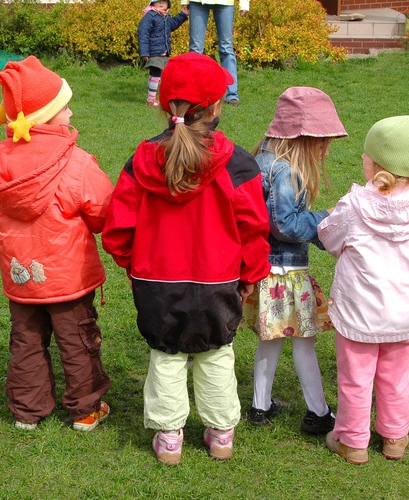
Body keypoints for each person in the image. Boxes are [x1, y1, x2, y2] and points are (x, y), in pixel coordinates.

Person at [101, 52, 270, 465]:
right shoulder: (237, 163)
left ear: (164, 105)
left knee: (166, 355)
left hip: (156, 281)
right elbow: (254, 228)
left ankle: (170, 437)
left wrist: (132, 264)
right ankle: (221, 434)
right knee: (216, 353)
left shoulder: (142, 161)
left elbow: (118, 228)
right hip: (219, 282)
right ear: (215, 106)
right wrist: (251, 274)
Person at [0, 56, 113, 432]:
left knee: (26, 341)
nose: (70, 112)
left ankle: (27, 410)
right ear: (48, 115)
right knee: (78, 341)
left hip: (21, 274)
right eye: (64, 106)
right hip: (68, 278)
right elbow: (102, 214)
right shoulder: (77, 163)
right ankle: (86, 409)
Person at [317, 115, 409, 464]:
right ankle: (395, 438)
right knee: (396, 375)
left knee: (356, 377)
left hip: (360, 313)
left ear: (374, 164)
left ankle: (353, 441)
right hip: (404, 313)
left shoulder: (355, 206)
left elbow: (328, 237)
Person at [243, 87, 347, 435]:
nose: (326, 148)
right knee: (305, 342)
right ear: (304, 137)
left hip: (265, 270)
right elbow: (286, 225)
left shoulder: (260, 160)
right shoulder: (286, 170)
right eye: (322, 140)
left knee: (270, 339)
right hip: (287, 272)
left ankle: (260, 406)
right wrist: (326, 219)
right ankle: (318, 413)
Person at [181, 0, 248, 105]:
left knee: (226, 48)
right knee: (195, 50)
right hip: (197, 3)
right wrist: (184, 1)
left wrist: (244, 3)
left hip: (225, 3)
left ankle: (231, 94)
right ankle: (193, 93)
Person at [138, 0, 188, 107]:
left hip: (164, 52)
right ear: (152, 4)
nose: (161, 4)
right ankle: (151, 100)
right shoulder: (150, 16)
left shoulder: (166, 17)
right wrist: (144, 52)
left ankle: (161, 98)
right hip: (154, 51)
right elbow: (143, 34)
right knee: (155, 74)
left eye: (164, 2)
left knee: (162, 76)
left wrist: (183, 14)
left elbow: (173, 24)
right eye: (158, 2)